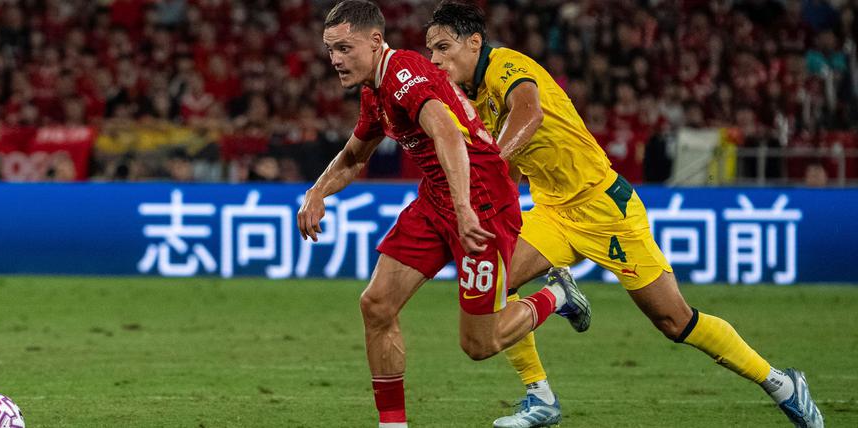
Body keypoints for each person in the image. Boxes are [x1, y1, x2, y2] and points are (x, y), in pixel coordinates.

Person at [424, 2, 824, 428]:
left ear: (474, 42)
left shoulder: (505, 65)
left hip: (605, 207)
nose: (435, 60)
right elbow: (519, 160)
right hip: (553, 211)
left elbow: (529, 114)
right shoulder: (470, 98)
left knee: (675, 321)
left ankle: (781, 383)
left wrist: (487, 164)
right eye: (430, 50)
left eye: (444, 47)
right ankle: (540, 396)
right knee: (496, 287)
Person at [297, 2, 591, 427]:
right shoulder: (374, 90)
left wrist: (465, 208)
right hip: (438, 198)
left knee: (479, 344)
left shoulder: (404, 76)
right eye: (330, 50)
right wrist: (316, 193)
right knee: (377, 305)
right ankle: (392, 424)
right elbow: (352, 156)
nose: (336, 60)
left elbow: (449, 134)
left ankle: (557, 294)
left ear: (376, 42)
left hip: (482, 201)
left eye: (344, 48)